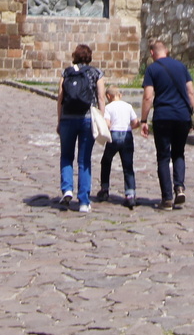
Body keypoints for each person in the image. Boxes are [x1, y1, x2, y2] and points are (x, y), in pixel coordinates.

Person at [141, 39, 194, 210]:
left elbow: (148, 97)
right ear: (167, 50)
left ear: (152, 53)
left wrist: (143, 120)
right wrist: (191, 113)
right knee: (179, 153)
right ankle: (179, 187)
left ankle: (167, 199)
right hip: (182, 116)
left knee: (163, 157)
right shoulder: (181, 67)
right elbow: (190, 92)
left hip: (163, 117)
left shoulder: (152, 69)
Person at [56, 44, 105, 212]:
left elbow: (60, 97)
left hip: (68, 118)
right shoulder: (96, 73)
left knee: (66, 156)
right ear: (89, 57)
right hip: (87, 119)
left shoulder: (67, 72)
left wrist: (59, 120)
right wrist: (102, 119)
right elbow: (101, 97)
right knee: (84, 160)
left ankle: (67, 189)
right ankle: (84, 201)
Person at [95, 86, 139, 208]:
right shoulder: (128, 106)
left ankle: (104, 189)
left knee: (106, 161)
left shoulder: (108, 107)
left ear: (108, 96)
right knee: (128, 166)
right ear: (119, 95)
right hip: (127, 134)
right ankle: (130, 194)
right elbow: (135, 123)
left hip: (114, 135)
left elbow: (108, 124)